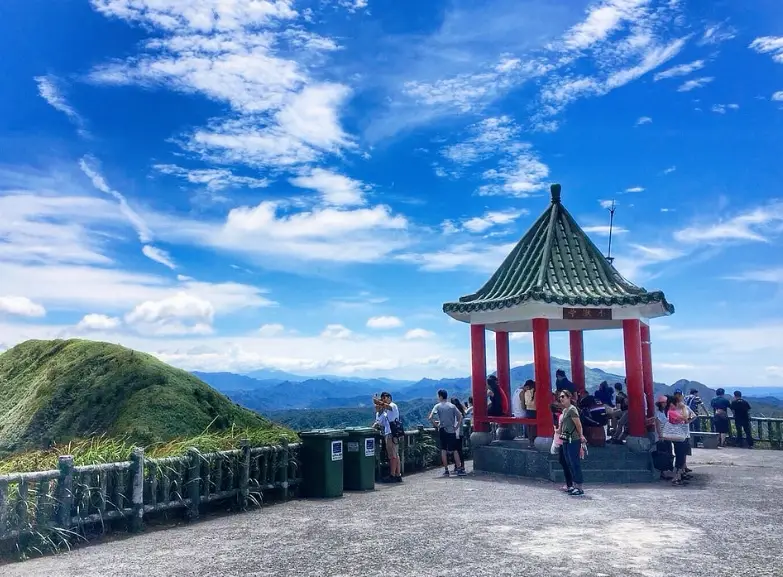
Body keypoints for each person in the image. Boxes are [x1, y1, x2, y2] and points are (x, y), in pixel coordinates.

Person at [555, 390, 586, 496]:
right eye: (560, 397)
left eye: (563, 396)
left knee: (574, 462)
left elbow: (578, 424)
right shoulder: (564, 411)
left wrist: (581, 436)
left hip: (574, 439)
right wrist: (557, 430)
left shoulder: (572, 410)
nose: (561, 398)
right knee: (568, 462)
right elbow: (562, 426)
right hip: (565, 439)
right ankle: (573, 485)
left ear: (569, 397)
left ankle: (579, 486)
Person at [429, 389, 466, 477]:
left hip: (442, 429)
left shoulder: (437, 406)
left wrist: (437, 425)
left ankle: (446, 470)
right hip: (452, 430)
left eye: (438, 396)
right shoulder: (452, 406)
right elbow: (460, 416)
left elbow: (430, 417)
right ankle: (459, 469)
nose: (438, 397)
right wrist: (456, 427)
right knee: (455, 450)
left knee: (443, 450)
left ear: (441, 396)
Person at [667, 392, 696, 486]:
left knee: (681, 456)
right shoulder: (672, 412)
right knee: (679, 456)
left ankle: (679, 476)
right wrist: (683, 408)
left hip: (681, 436)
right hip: (678, 437)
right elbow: (685, 419)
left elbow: (687, 419)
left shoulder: (673, 412)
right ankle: (676, 477)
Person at [374, 392, 402, 483]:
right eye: (382, 399)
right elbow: (381, 422)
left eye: (384, 398)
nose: (383, 400)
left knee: (392, 456)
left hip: (391, 434)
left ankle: (392, 475)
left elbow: (387, 406)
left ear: (389, 397)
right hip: (393, 433)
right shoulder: (388, 411)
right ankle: (398, 475)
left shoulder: (392, 406)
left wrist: (378, 402)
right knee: (395, 455)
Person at [651, 395, 675, 479]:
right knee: (663, 454)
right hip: (661, 437)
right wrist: (660, 436)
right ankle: (663, 472)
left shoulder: (664, 413)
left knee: (668, 453)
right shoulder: (658, 414)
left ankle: (667, 470)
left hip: (666, 435)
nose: (665, 404)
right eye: (663, 403)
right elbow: (658, 426)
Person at [451, 398, 468, 468]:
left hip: (455, 433)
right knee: (459, 449)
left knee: (455, 450)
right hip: (461, 433)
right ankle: (462, 465)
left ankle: (457, 465)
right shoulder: (461, 412)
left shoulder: (454, 412)